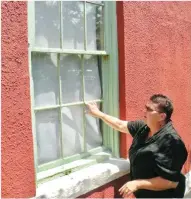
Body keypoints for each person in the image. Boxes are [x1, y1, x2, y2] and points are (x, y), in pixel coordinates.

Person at [86, 94, 188, 198]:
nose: (144, 111)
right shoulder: (144, 128)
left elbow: (170, 182)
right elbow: (120, 125)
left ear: (162, 116)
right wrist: (98, 114)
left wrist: (137, 184)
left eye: (149, 109)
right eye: (145, 107)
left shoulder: (171, 143)